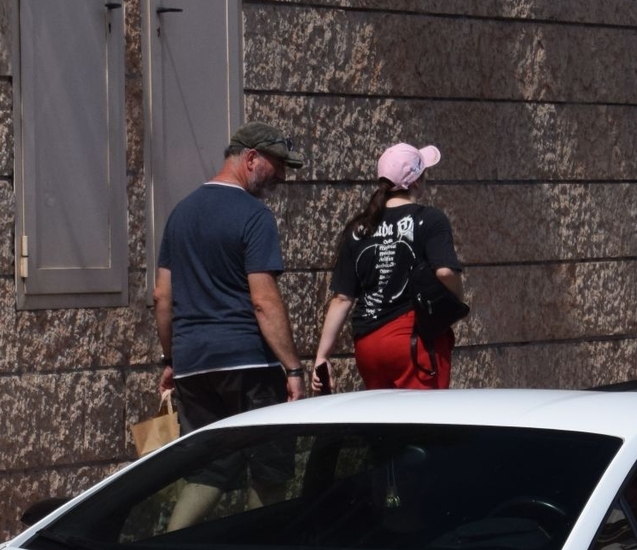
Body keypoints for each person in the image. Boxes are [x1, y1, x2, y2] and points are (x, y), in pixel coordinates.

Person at [153, 123, 308, 526]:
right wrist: (293, 368)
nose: (281, 178)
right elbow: (263, 300)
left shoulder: (180, 214)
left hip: (192, 366)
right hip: (248, 364)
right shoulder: (254, 216)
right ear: (251, 157)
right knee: (269, 468)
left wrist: (170, 359)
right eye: (277, 166)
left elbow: (161, 297)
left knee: (208, 470)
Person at [312, 141, 465, 391]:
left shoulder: (359, 227)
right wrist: (458, 302)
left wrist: (322, 356)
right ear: (416, 181)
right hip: (412, 341)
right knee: (423, 426)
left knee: (383, 425)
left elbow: (342, 298)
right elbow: (445, 271)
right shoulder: (429, 219)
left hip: (368, 345)